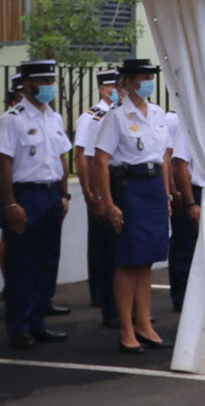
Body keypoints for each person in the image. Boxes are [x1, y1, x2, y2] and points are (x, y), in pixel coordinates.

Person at [92, 58, 173, 353]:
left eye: (149, 76)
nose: (146, 81)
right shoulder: (116, 116)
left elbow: (163, 158)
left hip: (152, 189)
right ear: (126, 81)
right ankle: (127, 330)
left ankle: (145, 325)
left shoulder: (157, 112)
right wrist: (108, 203)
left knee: (147, 260)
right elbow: (100, 161)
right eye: (141, 76)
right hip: (130, 188)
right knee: (128, 260)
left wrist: (166, 195)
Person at [0, 59, 73, 349]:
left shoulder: (53, 117)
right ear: (27, 85)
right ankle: (19, 326)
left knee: (47, 260)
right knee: (22, 263)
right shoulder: (13, 119)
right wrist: (9, 204)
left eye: (50, 82)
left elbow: (62, 158)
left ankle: (38, 321)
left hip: (50, 194)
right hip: (25, 196)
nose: (48, 88)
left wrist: (64, 194)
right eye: (42, 83)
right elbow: (3, 163)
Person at [76, 68, 118, 311]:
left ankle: (112, 293)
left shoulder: (119, 114)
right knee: (100, 242)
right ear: (103, 89)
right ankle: (100, 294)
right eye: (114, 86)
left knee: (114, 243)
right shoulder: (93, 117)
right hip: (100, 185)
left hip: (116, 183)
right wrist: (92, 193)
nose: (117, 90)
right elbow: (82, 156)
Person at [168, 124, 204, 312]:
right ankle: (182, 296)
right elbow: (179, 165)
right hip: (195, 191)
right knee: (186, 246)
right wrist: (190, 202)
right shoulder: (189, 127)